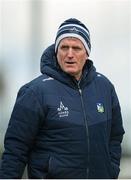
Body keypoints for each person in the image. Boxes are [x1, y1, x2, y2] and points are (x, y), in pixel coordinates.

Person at [0, 18, 125, 179]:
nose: (70, 54)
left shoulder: (105, 88)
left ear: (87, 52)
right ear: (56, 50)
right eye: (64, 47)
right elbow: (15, 150)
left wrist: (111, 170)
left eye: (77, 48)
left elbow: (115, 137)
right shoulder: (35, 92)